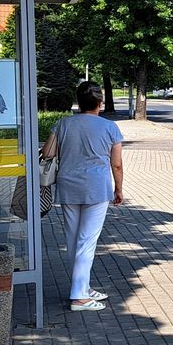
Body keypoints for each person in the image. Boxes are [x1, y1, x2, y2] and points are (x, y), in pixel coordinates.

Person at [41, 81, 124, 312]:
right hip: (97, 189)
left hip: (68, 187)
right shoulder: (110, 128)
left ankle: (83, 287)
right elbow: (116, 164)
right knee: (87, 241)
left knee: (73, 239)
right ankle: (79, 297)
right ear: (99, 103)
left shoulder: (63, 123)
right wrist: (119, 189)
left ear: (79, 102)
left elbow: (48, 152)